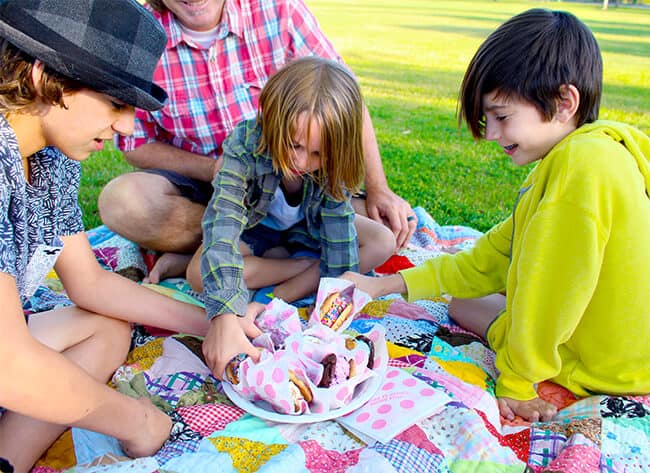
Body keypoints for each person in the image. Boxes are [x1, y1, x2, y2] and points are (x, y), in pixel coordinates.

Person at [341, 8, 650, 423]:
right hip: (627, 345)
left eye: (502, 117)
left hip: (615, 365)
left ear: (564, 103)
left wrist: (519, 383)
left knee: (473, 304)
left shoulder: (581, 169)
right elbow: (491, 256)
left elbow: (551, 296)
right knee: (468, 298)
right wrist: (381, 287)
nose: (490, 134)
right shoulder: (593, 151)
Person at [0, 0, 219, 470]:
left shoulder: (48, 155)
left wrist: (212, 320)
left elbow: (90, 284)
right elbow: (9, 365)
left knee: (105, 327)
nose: (126, 126)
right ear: (43, 78)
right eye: (115, 103)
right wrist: (140, 421)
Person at [96, 0, 413, 284]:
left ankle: (256, 257)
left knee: (390, 225)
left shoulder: (280, 10)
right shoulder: (142, 40)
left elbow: (347, 102)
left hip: (302, 188)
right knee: (122, 202)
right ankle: (266, 254)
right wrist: (212, 168)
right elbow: (136, 144)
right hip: (209, 191)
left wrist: (378, 188)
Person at [194, 56, 393, 380]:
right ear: (272, 121)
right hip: (258, 231)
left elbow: (339, 238)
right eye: (293, 145)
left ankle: (275, 297)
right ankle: (298, 266)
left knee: (382, 241)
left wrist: (330, 308)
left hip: (306, 234)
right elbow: (223, 225)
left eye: (317, 154)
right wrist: (226, 314)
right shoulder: (245, 144)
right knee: (199, 275)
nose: (301, 161)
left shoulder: (334, 162)